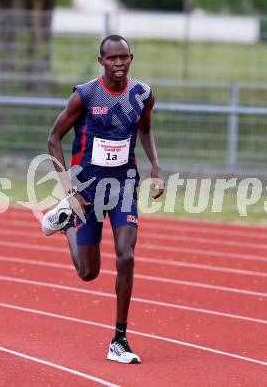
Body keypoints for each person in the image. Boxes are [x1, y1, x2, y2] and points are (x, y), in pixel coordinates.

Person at [42, 34, 164, 364]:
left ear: (131, 58)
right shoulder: (85, 95)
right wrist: (69, 191)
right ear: (101, 62)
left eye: (124, 57)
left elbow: (145, 129)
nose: (119, 63)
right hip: (86, 190)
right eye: (112, 58)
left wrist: (155, 165)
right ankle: (66, 221)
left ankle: (119, 339)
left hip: (124, 185)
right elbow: (53, 139)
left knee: (126, 256)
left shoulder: (143, 94)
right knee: (88, 272)